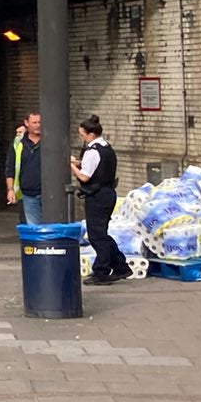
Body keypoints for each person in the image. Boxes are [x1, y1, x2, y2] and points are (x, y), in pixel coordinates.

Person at [73, 114, 133, 283]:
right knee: (101, 233)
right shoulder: (106, 147)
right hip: (107, 193)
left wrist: (71, 166)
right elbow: (95, 167)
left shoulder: (92, 151)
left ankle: (101, 272)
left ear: (90, 135)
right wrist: (78, 162)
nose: (81, 138)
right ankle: (121, 267)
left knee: (96, 236)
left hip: (98, 196)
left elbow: (85, 176)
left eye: (82, 135)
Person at [7, 112, 45, 224]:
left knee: (51, 230)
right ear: (26, 123)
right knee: (34, 230)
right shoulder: (18, 143)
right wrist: (10, 189)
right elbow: (10, 168)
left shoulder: (50, 140)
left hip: (49, 193)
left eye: (40, 122)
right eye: (34, 122)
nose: (38, 125)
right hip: (29, 194)